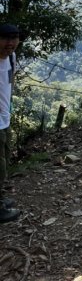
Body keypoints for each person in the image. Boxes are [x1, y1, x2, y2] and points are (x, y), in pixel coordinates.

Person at [0, 23, 21, 223]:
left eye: (14, 39)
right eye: (6, 38)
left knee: (4, 161)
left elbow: (9, 85)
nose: (11, 43)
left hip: (4, 120)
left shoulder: (12, 59)